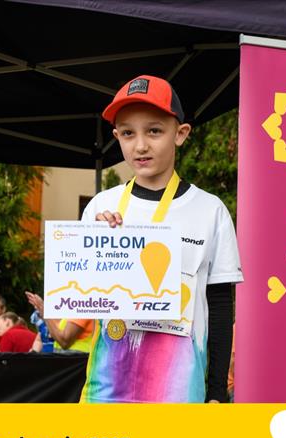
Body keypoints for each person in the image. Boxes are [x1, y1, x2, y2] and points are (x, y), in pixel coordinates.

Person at [80, 75, 243, 403]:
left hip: (178, 391)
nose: (140, 145)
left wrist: (216, 392)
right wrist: (94, 248)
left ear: (180, 134)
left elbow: (220, 306)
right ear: (117, 137)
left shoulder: (210, 210)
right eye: (128, 133)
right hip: (106, 390)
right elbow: (80, 298)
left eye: (154, 131)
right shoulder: (101, 207)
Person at [25, 291, 94, 352]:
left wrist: (44, 311)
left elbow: (64, 342)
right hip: (68, 360)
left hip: (79, 360)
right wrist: (42, 310)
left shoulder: (82, 309)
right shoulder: (70, 312)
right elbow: (56, 331)